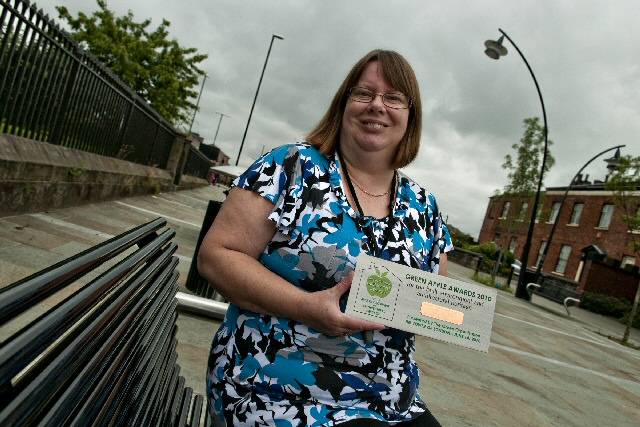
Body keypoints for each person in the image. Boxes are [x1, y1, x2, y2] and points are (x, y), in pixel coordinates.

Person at [198, 49, 453, 426]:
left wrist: (444, 314)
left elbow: (435, 305)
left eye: (394, 98)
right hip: (279, 388)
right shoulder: (290, 166)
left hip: (388, 398)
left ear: (410, 117)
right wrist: (306, 306)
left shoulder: (424, 206)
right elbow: (216, 256)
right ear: (343, 103)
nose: (377, 106)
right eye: (364, 93)